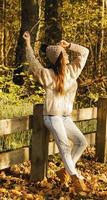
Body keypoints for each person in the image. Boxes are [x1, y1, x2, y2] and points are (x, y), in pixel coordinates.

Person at [23, 31, 89, 192]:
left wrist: (70, 45)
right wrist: (28, 45)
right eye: (65, 54)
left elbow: (85, 52)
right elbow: (33, 63)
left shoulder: (73, 71)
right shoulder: (48, 75)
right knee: (65, 146)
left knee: (82, 142)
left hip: (65, 117)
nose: (67, 56)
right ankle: (76, 180)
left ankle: (65, 171)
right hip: (52, 117)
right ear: (59, 58)